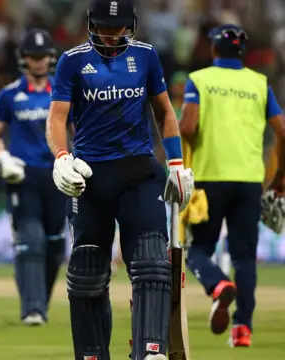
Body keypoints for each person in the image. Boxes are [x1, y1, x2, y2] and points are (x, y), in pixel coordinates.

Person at [46, 1, 194, 359]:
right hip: (90, 177)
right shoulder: (72, 60)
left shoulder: (145, 56)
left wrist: (175, 163)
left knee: (152, 266)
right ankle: (93, 354)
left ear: (131, 26)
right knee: (86, 274)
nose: (111, 35)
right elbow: (56, 119)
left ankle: (151, 350)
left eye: (118, 28)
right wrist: (62, 158)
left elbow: (165, 114)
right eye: (103, 27)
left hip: (138, 171)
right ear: (90, 24)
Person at [179, 24, 285, 348]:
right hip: (250, 180)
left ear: (213, 50)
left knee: (197, 250)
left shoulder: (199, 80)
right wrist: (279, 178)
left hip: (210, 178)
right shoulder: (260, 84)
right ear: (243, 52)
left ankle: (217, 285)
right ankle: (242, 329)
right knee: (243, 256)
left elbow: (188, 126)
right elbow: (283, 132)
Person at [0, 28, 64, 326]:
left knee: (55, 243)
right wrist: (3, 158)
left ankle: (40, 301)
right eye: (33, 56)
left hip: (57, 174)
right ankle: (33, 308)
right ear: (24, 59)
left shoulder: (63, 91)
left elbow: (77, 130)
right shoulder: (9, 95)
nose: (39, 62)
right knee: (30, 241)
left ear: (50, 58)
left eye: (43, 56)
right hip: (23, 176)